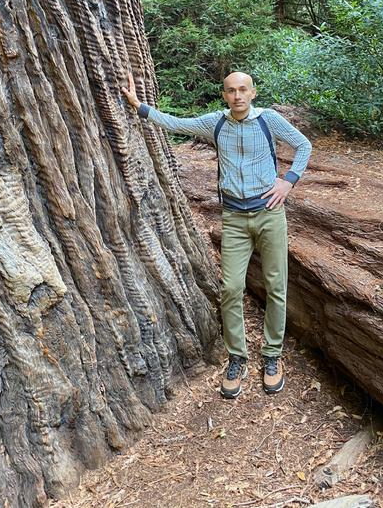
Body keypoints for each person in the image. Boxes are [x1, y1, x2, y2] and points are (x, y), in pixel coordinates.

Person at [122, 71, 312, 399]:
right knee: (231, 288)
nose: (237, 95)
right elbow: (177, 124)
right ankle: (237, 357)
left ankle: (272, 356)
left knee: (276, 286)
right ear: (224, 94)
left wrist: (289, 180)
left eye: (242, 90)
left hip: (270, 214)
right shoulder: (216, 123)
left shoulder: (269, 120)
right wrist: (139, 106)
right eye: (231, 91)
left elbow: (303, 145)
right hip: (235, 217)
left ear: (252, 92)